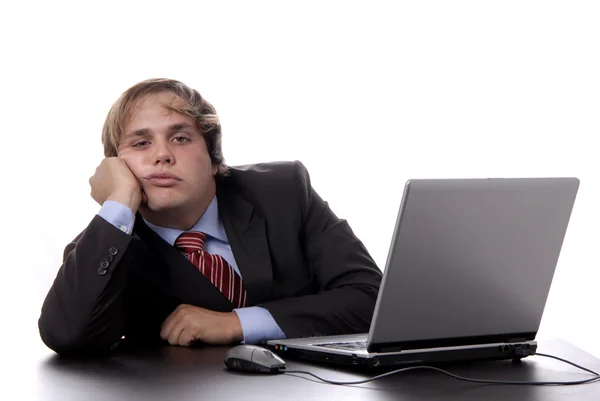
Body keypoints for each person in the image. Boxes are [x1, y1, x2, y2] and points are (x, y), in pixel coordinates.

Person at [38, 78, 382, 356]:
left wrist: (238, 323)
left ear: (214, 158)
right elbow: (66, 334)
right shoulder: (106, 246)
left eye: (180, 138)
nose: (161, 155)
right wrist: (119, 202)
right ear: (115, 168)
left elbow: (371, 297)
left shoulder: (285, 191)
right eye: (140, 144)